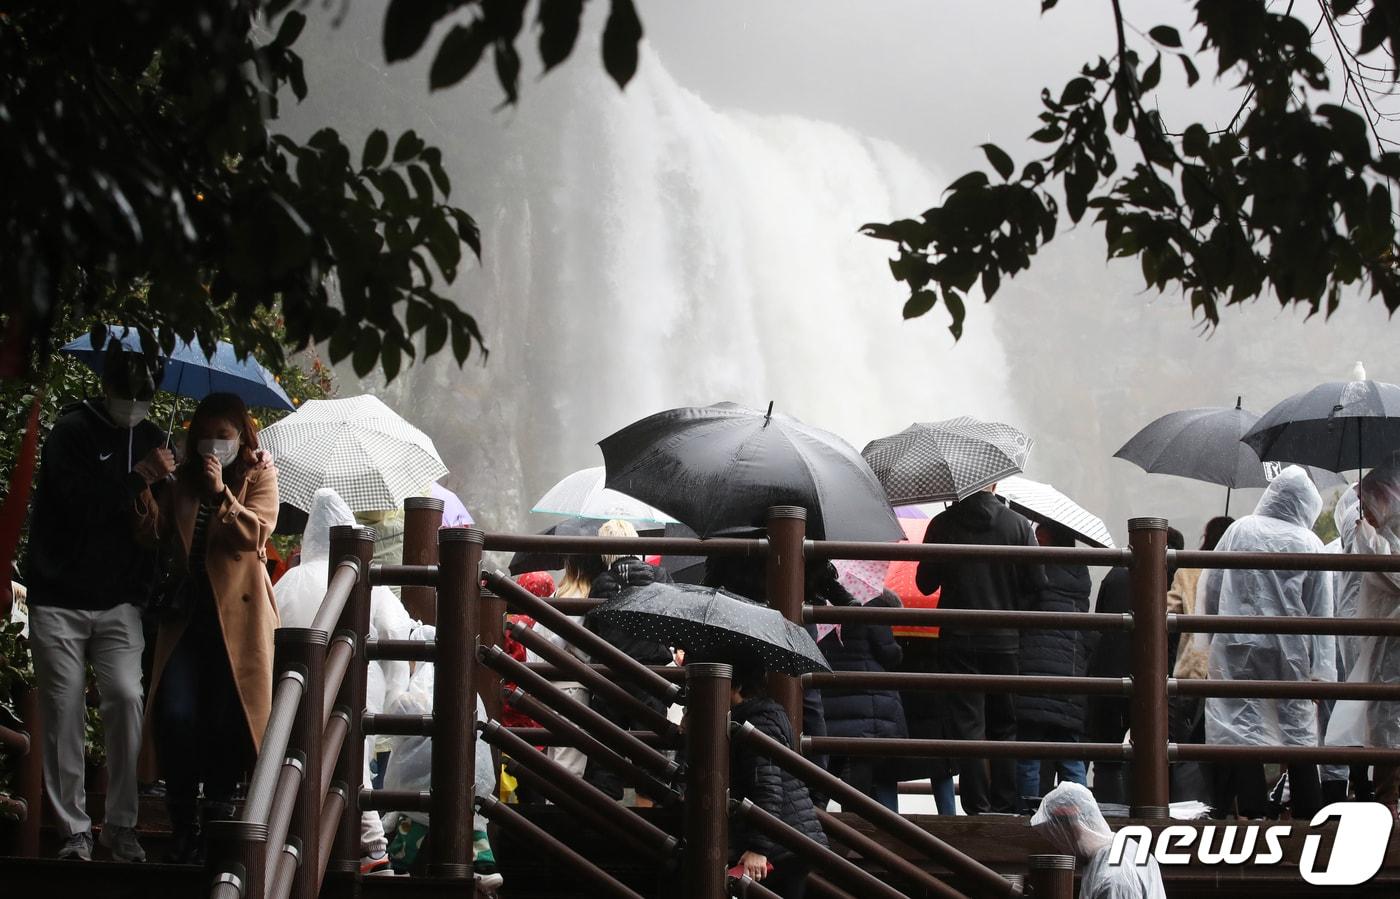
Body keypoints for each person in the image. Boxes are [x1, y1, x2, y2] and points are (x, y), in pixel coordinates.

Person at [25, 345, 171, 862]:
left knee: (126, 698)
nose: (133, 401)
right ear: (106, 386)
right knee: (62, 708)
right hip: (58, 598)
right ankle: (74, 832)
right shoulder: (72, 432)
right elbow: (78, 505)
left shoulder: (153, 439)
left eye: (143, 394)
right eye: (126, 391)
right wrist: (140, 477)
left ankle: (122, 826)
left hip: (119, 604)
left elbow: (161, 525)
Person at [143, 393, 280, 862]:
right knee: (177, 713)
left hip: (238, 621)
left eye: (224, 438)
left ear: (241, 437)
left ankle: (217, 825)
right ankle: (183, 821)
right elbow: (154, 535)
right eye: (207, 437)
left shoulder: (259, 474)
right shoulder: (180, 479)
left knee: (228, 718)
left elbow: (256, 534)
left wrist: (222, 492)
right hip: (187, 616)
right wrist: (147, 486)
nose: (214, 446)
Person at [274, 487, 422, 875]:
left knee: (298, 764)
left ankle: (297, 847)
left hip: (293, 689)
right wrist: (396, 691)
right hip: (359, 690)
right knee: (352, 764)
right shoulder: (363, 579)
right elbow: (397, 630)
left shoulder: (289, 580)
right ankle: (373, 849)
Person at [1200, 466, 1334, 820]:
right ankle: (1308, 811)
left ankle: (1254, 810)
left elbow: (1212, 585)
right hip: (1289, 650)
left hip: (1237, 643)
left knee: (1241, 724)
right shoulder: (1310, 543)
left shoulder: (1239, 529)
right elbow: (1322, 613)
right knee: (1297, 727)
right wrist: (1322, 672)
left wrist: (1211, 633)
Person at [915, 484, 1045, 814]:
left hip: (958, 639)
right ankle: (1005, 805)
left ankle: (978, 807)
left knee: (967, 726)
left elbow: (924, 583)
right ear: (995, 484)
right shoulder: (1017, 525)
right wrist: (1013, 612)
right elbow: (1038, 584)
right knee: (1004, 724)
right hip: (1004, 639)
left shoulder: (943, 524)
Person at [1085, 527, 1183, 805]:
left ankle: (1110, 809)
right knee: (1157, 748)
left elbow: (1100, 621)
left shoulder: (1116, 574)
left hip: (1109, 672)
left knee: (1107, 753)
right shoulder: (1173, 582)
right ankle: (1155, 806)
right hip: (1156, 676)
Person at [1326, 461, 1400, 813]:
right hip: (1378, 636)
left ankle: (1382, 801)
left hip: (1381, 637)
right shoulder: (1369, 533)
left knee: (1380, 715)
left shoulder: (1376, 537)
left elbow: (1387, 572)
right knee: (1378, 716)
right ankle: (1382, 801)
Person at [582, 519, 673, 803]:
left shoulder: (602, 583)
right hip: (651, 676)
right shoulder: (659, 576)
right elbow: (674, 621)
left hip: (611, 675)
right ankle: (650, 824)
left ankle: (607, 823)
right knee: (650, 754)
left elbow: (590, 632)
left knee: (606, 754)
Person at [729, 664, 828, 898]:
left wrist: (758, 848)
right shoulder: (761, 716)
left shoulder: (757, 724)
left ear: (738, 686)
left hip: (780, 845)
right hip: (789, 839)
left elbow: (767, 788)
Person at [1015, 522, 1094, 808]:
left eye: (1039, 534)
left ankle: (1029, 812)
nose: (1035, 538)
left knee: (1029, 753)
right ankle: (1083, 812)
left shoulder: (1037, 568)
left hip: (1033, 667)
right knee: (1070, 752)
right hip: (1071, 668)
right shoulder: (1080, 571)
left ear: (1048, 536)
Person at [817, 588, 907, 811]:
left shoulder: (821, 603)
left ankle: (814, 822)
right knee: (859, 776)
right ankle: (854, 832)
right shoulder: (870, 600)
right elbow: (889, 654)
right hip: (867, 702)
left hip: (830, 697)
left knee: (827, 769)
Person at [1165, 516, 1232, 803]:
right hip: (1227, 673)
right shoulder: (1238, 570)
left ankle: (1187, 805)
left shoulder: (1188, 568)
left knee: (1184, 746)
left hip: (1191, 671)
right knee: (1225, 745)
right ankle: (1221, 806)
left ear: (1206, 535)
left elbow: (1167, 612)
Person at [528, 548, 605, 777]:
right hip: (575, 687)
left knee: (555, 761)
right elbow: (557, 641)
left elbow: (539, 640)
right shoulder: (585, 596)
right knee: (569, 767)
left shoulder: (559, 594)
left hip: (552, 686)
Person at [1030, 782, 1166, 899]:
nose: (1058, 850)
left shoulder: (1113, 878)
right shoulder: (1125, 846)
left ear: (1071, 829)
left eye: (1056, 839)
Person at [1321, 485, 1371, 803]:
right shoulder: (1361, 525)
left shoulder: (1343, 539)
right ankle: (1368, 792)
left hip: (1347, 637)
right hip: (1362, 631)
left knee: (1354, 712)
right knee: (1365, 711)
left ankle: (1355, 789)